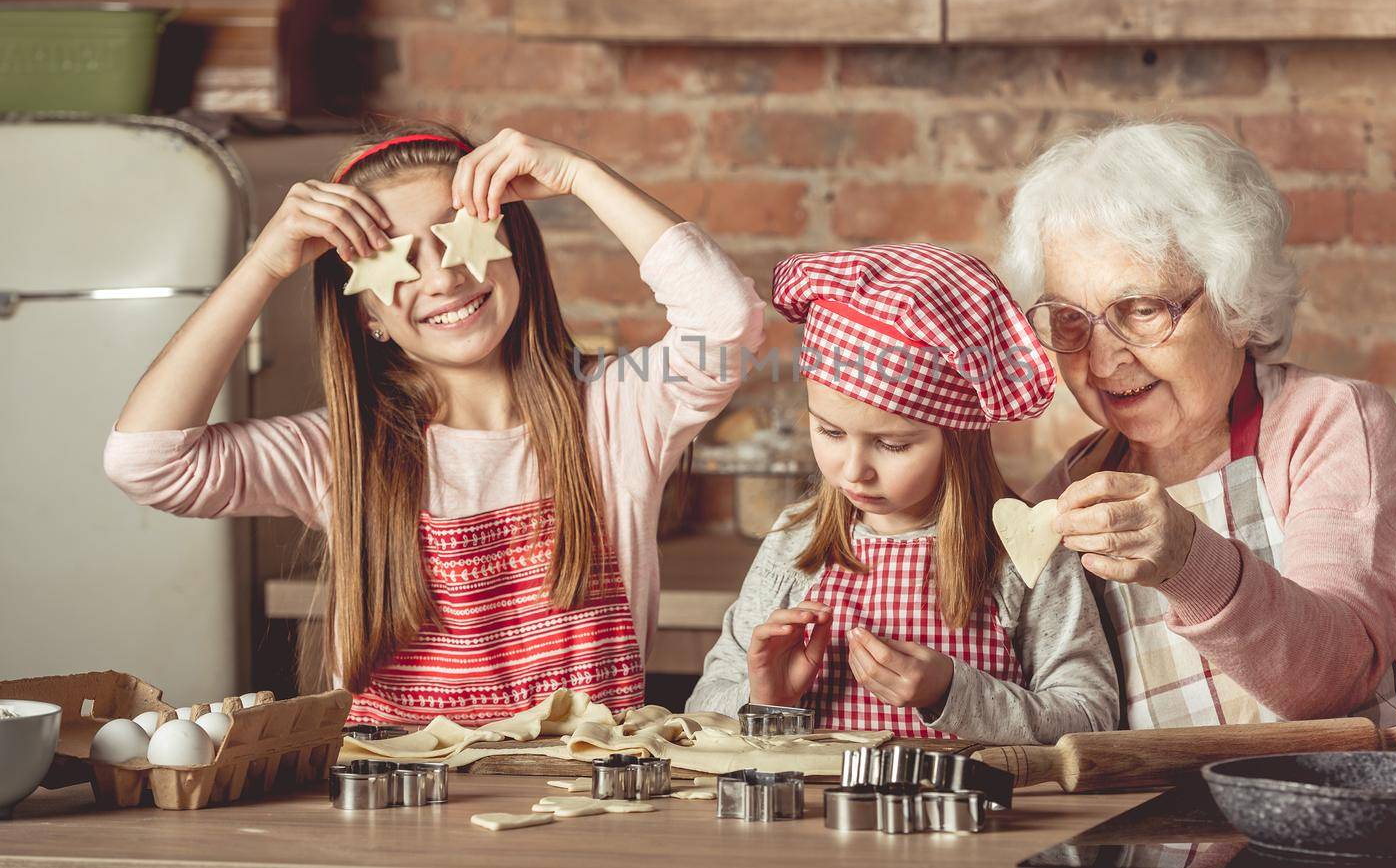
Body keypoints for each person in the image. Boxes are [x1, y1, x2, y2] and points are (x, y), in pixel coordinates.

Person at [104, 123, 764, 725]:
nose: (442, 276)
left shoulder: (615, 414)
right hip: (394, 822)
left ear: (513, 249)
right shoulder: (342, 452)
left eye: (457, 234)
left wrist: (580, 175)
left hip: (583, 808)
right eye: (394, 257)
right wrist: (264, 263)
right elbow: (145, 461)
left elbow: (728, 323)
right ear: (366, 314)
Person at [1002, 120, 1396, 741]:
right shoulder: (1069, 487)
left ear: (1234, 304)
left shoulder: (1331, 426)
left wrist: (1186, 563)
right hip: (1169, 831)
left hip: (1368, 815)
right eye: (1069, 321)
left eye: (1142, 310)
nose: (1103, 360)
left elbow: (1336, 676)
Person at [688, 244, 1118, 743]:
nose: (853, 471)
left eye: (892, 444)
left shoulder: (1026, 552)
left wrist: (951, 693)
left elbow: (1090, 719)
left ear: (957, 439)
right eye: (829, 432)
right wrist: (766, 702)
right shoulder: (794, 543)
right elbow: (702, 710)